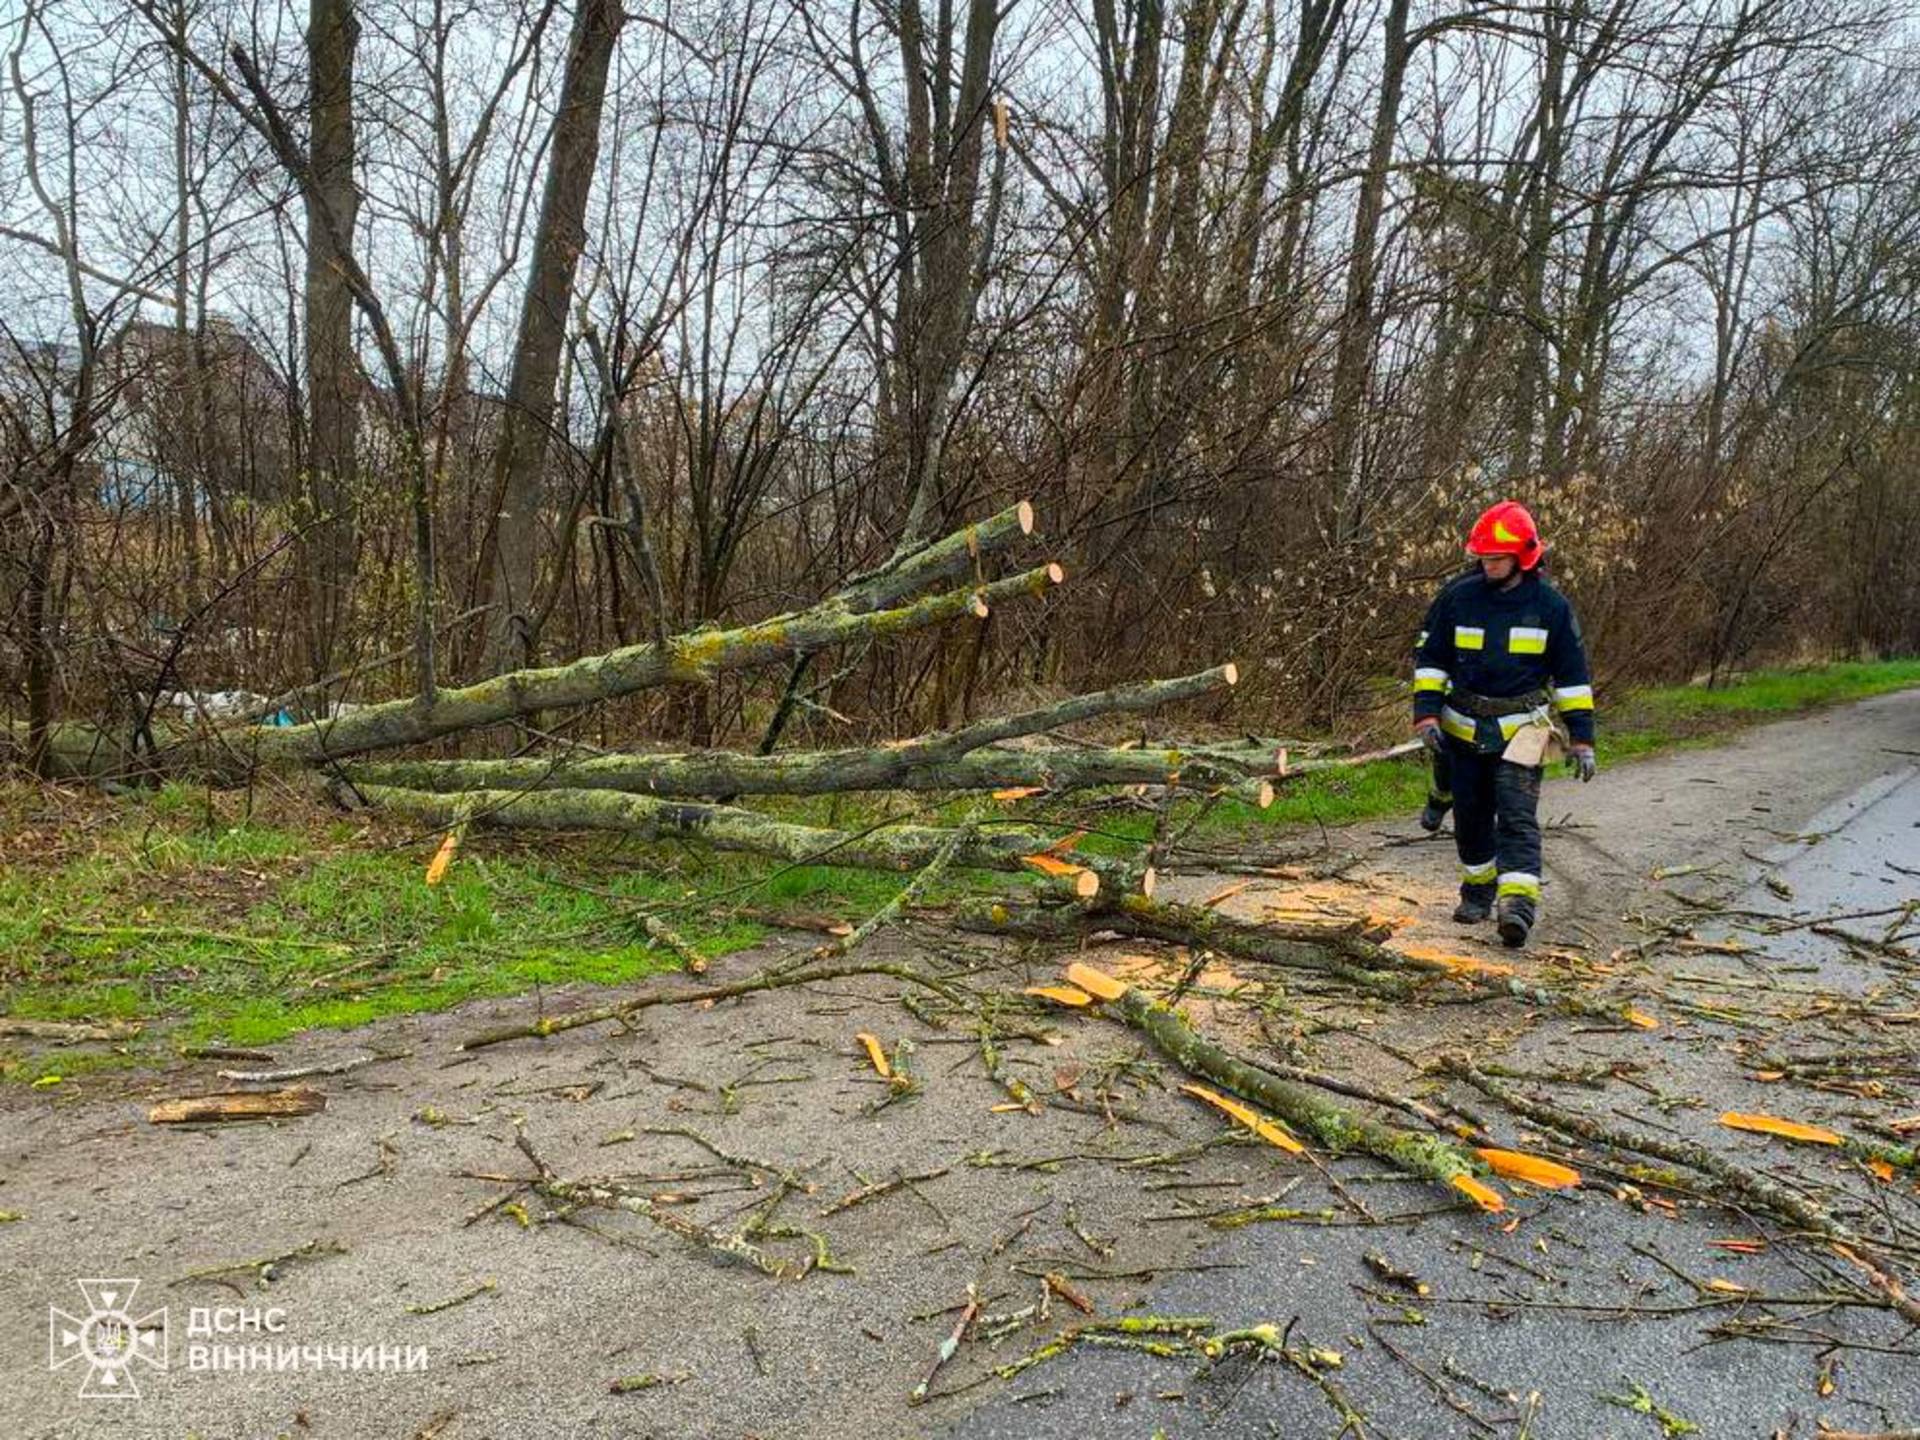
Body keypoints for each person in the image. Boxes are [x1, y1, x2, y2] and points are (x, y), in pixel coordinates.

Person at [1411, 501, 1596, 947]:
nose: (1489, 565)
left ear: (1524, 557)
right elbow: (1431, 660)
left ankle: (1517, 906)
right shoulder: (1457, 598)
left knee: (1516, 817)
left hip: (1522, 733)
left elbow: (1572, 679)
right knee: (1471, 819)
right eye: (1484, 557)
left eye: (1497, 558)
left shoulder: (1551, 607)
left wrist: (1582, 739)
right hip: (1462, 728)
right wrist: (1427, 715)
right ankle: (1478, 889)